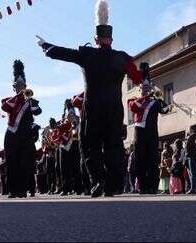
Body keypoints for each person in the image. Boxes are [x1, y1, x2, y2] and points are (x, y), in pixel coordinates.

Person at [37, 0, 142, 197]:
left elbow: (65, 54)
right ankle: (113, 185)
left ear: (95, 39)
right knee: (113, 146)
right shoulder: (123, 58)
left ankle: (97, 182)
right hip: (113, 108)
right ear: (111, 39)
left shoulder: (88, 54)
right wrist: (143, 73)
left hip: (92, 108)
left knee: (90, 147)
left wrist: (46, 47)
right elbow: (137, 78)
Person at [1, 60, 42, 198]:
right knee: (11, 162)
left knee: (24, 162)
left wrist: (29, 100)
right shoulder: (8, 100)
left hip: (25, 134)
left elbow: (38, 112)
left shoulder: (30, 100)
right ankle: (13, 190)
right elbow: (5, 107)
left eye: (22, 85)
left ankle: (23, 190)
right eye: (17, 85)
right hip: (11, 133)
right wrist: (19, 96)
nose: (20, 87)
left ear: (25, 86)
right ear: (14, 87)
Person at [128, 66, 171, 194]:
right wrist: (147, 98)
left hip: (152, 134)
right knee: (140, 160)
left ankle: (153, 186)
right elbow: (134, 107)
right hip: (139, 133)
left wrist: (159, 99)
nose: (146, 91)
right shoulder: (135, 100)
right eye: (144, 89)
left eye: (148, 88)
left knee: (152, 160)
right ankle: (143, 186)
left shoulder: (155, 102)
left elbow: (165, 110)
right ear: (140, 89)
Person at [185, 124, 196, 194]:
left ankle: (193, 188)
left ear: (192, 129)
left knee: (193, 173)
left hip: (191, 157)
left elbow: (187, 148)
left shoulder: (190, 137)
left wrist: (187, 155)